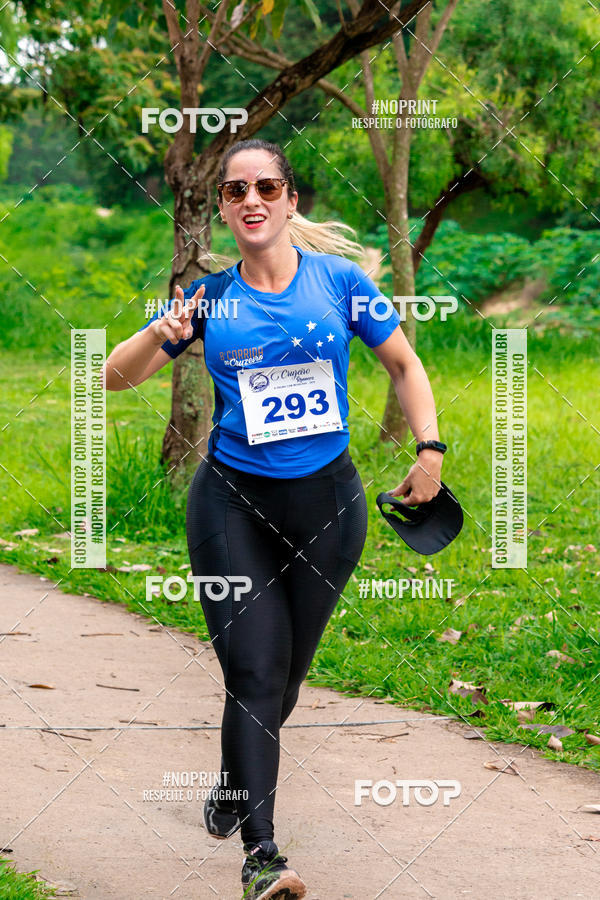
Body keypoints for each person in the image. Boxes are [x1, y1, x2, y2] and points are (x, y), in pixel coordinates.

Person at [104, 138, 445, 900]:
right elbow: (114, 377)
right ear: (225, 210)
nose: (251, 199)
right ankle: (263, 856)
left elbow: (404, 364)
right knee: (255, 672)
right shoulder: (210, 301)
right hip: (233, 504)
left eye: (266, 186)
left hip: (329, 506)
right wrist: (156, 336)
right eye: (235, 191)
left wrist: (429, 447)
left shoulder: (341, 283)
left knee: (284, 679)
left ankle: (233, 785)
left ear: (291, 200)